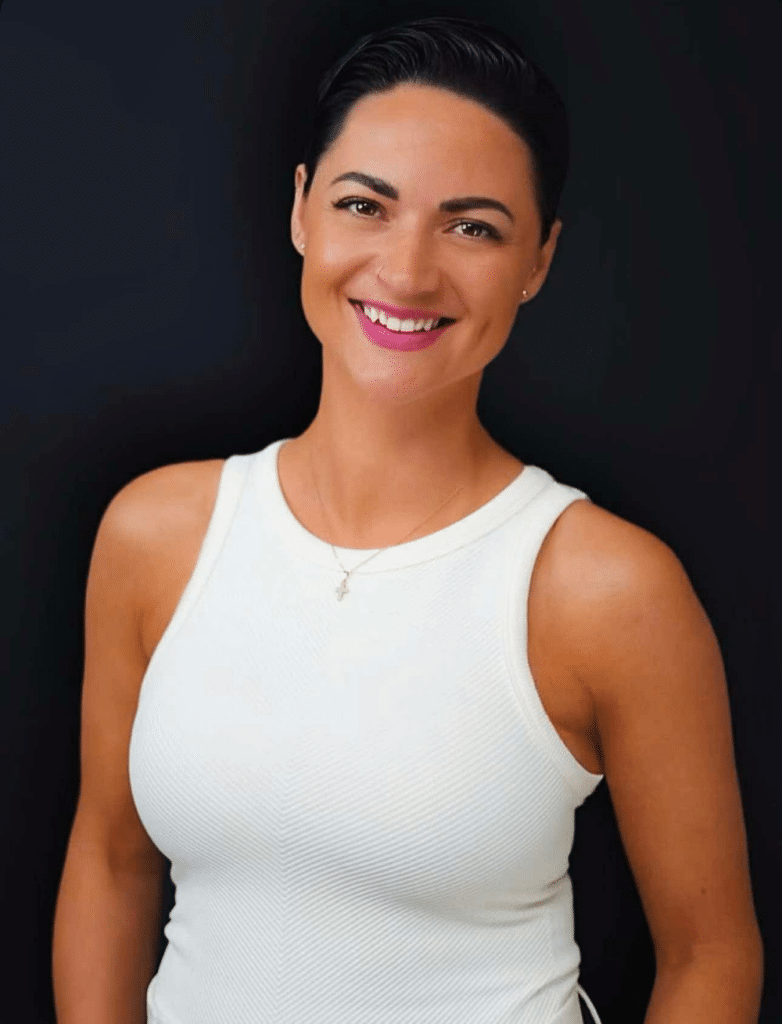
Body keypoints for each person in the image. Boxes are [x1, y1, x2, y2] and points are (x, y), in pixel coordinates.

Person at [52, 15, 763, 1024]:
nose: (409, 270)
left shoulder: (605, 587)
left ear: (538, 261)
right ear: (301, 209)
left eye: (472, 226)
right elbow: (111, 860)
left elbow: (707, 954)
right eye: (363, 205)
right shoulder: (154, 532)